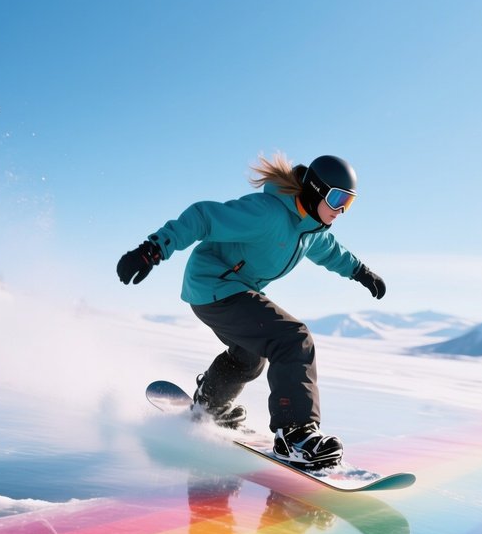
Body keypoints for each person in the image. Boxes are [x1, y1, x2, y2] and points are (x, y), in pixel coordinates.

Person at [117, 153, 386, 469]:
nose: (341, 210)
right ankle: (295, 435)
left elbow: (331, 252)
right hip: (213, 285)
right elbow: (204, 216)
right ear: (315, 189)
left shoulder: (311, 230)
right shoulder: (267, 213)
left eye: (349, 203)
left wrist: (360, 271)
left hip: (232, 289)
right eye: (338, 199)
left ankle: (209, 406)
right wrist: (154, 248)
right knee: (292, 338)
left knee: (250, 357)